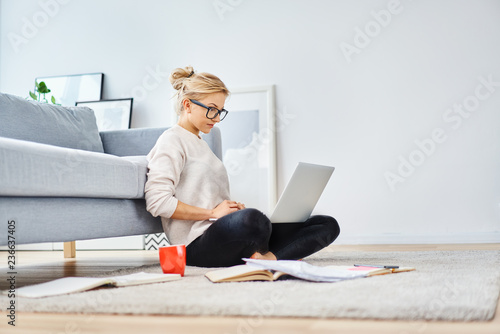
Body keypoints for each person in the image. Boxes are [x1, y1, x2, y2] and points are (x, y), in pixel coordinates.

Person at [145, 66, 340, 267]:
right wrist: (213, 214)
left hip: (223, 234)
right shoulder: (171, 140)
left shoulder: (201, 144)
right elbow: (157, 202)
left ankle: (268, 258)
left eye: (220, 111)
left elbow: (211, 202)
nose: (217, 118)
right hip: (195, 245)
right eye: (212, 110)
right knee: (254, 221)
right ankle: (278, 252)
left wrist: (231, 211)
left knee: (326, 225)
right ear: (187, 105)